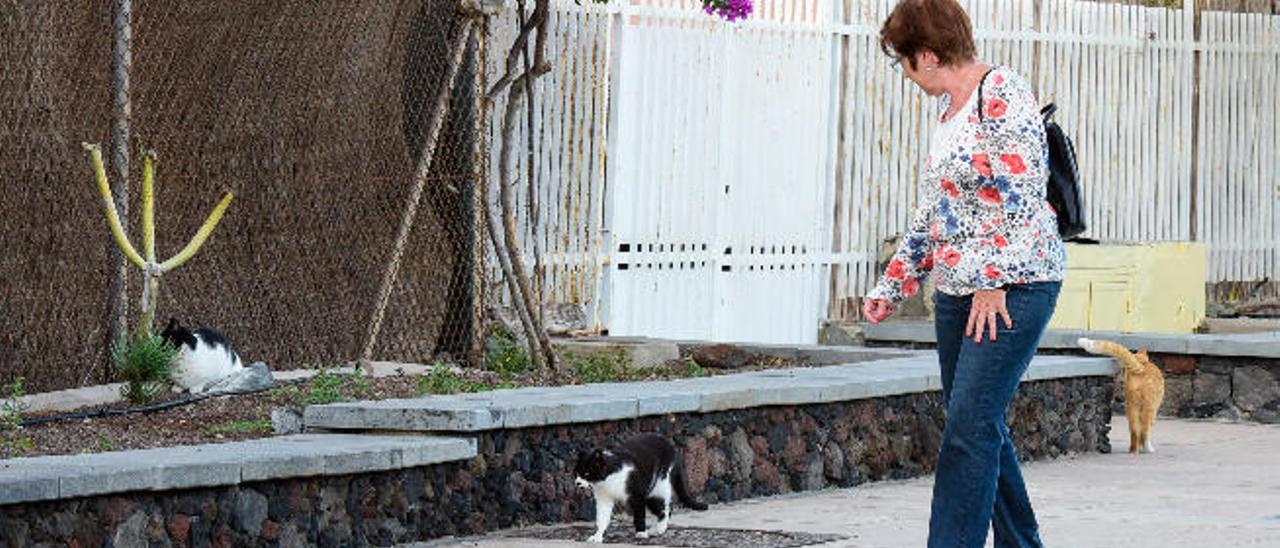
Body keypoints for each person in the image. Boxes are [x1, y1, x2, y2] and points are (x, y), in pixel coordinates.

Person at [862, 1, 1067, 547]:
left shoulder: (1001, 92)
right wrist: (894, 283)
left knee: (967, 431)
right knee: (979, 426)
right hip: (958, 291)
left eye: (903, 62)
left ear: (926, 56)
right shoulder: (950, 114)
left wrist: (993, 279)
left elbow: (1021, 196)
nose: (905, 74)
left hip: (1012, 288)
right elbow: (936, 214)